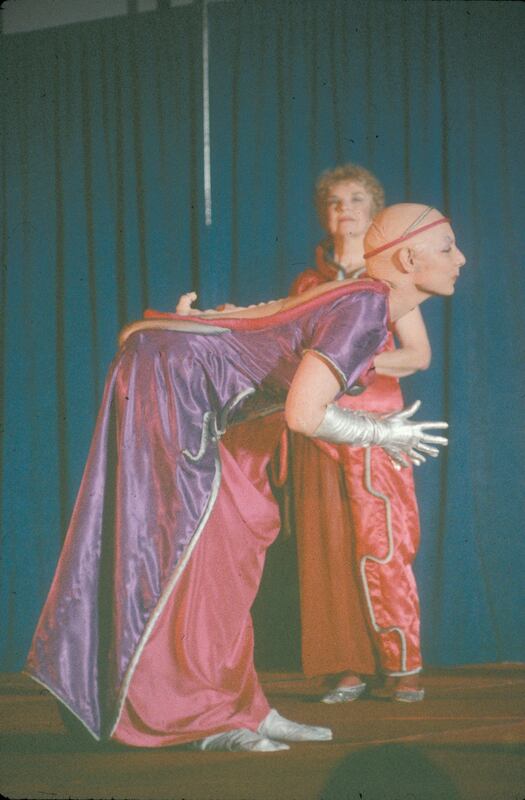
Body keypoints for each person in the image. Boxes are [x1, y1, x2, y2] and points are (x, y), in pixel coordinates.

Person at [25, 204, 462, 751]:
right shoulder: (365, 308)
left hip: (200, 397)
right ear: (409, 258)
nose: (460, 259)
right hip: (177, 390)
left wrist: (188, 325)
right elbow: (304, 414)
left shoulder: (360, 299)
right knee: (192, 557)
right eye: (448, 248)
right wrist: (382, 433)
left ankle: (240, 706)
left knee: (232, 555)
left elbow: (264, 326)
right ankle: (193, 717)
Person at [289, 165, 432, 703]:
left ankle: (401, 667)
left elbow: (417, 355)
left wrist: (357, 366)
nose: (344, 209)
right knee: (326, 550)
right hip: (321, 430)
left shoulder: (389, 277)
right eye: (334, 201)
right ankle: (346, 667)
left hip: (375, 430)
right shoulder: (307, 285)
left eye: (355, 200)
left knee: (384, 544)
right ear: (324, 215)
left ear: (373, 212)